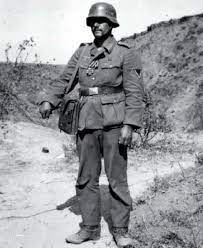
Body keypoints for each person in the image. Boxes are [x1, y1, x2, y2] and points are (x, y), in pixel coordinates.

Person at [39, 2, 145, 247]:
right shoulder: (83, 52)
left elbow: (134, 92)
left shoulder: (126, 53)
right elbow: (65, 79)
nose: (96, 25)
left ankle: (120, 230)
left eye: (101, 21)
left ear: (112, 24)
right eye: (92, 22)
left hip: (115, 124)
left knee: (117, 178)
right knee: (86, 177)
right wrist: (49, 100)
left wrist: (130, 124)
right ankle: (89, 228)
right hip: (86, 122)